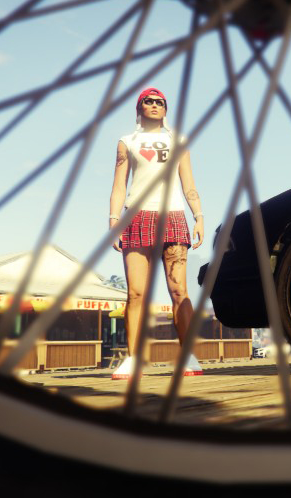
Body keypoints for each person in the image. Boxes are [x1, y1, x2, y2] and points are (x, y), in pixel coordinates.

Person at [108, 87, 204, 379]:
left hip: (173, 215)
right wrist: (113, 220)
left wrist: (198, 216)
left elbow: (189, 183)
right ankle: (133, 359)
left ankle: (188, 356)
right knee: (136, 292)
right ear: (139, 108)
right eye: (148, 101)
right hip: (136, 216)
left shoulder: (179, 141)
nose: (154, 105)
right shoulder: (127, 142)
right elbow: (119, 185)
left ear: (166, 109)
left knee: (179, 291)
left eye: (159, 102)